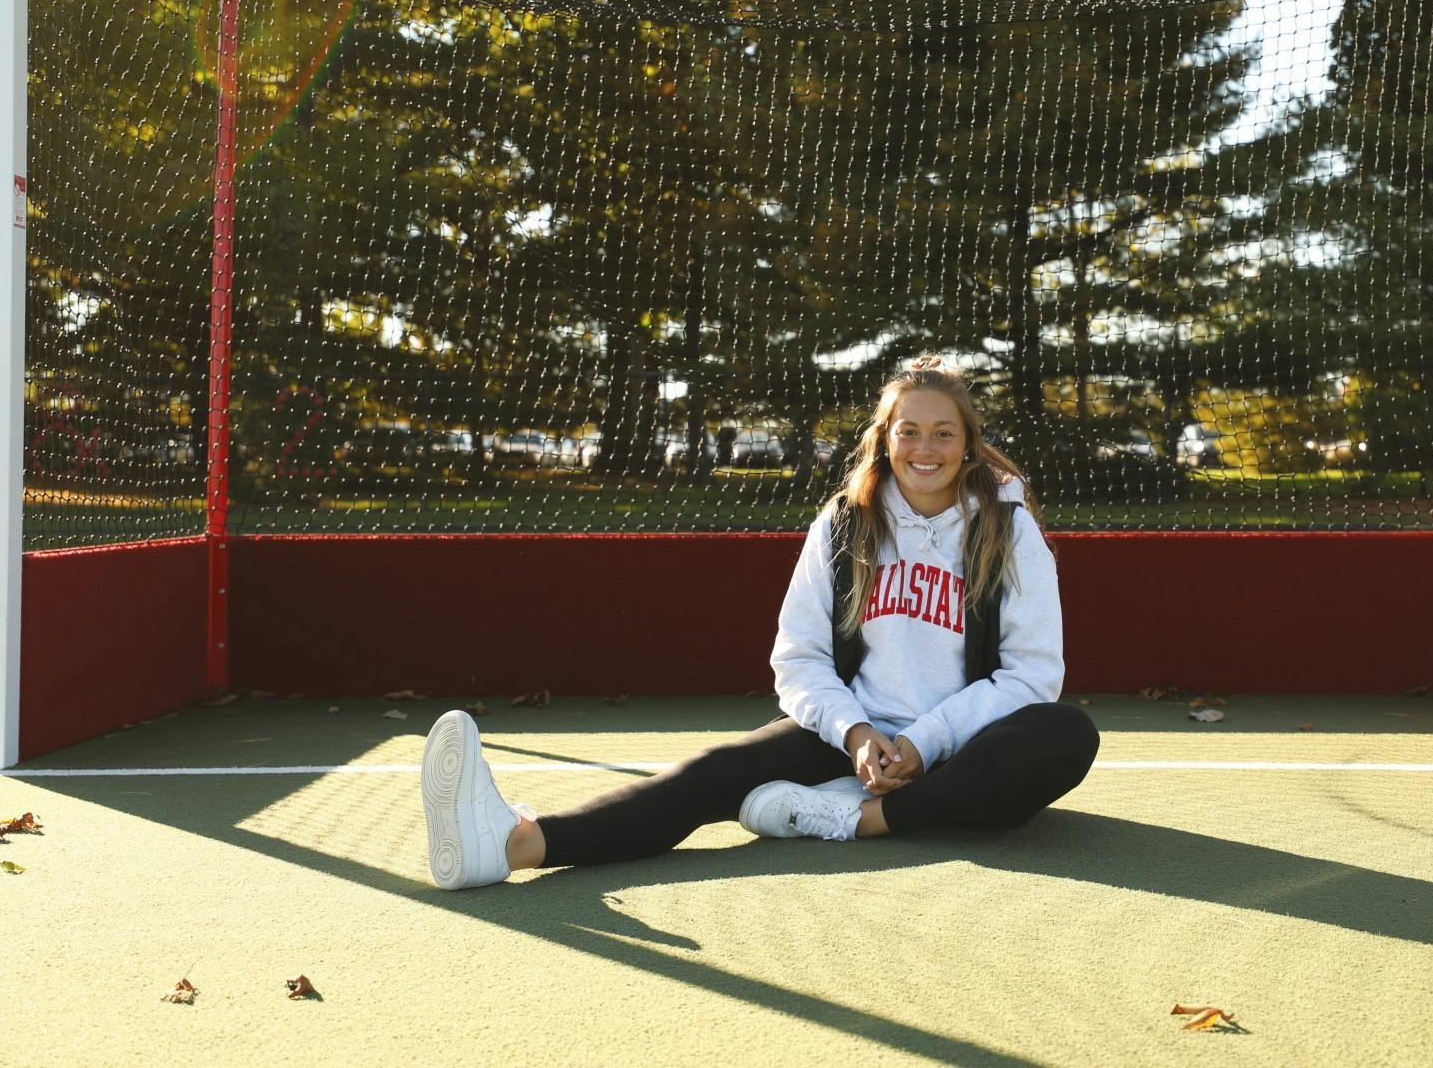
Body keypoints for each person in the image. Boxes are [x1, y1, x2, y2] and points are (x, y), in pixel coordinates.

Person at [420, 356, 1100, 889]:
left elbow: (1032, 674)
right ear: (885, 440)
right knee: (711, 774)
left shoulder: (1009, 531)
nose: (926, 448)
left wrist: (922, 743)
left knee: (1065, 733)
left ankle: (856, 819)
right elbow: (798, 659)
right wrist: (858, 733)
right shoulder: (845, 523)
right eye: (909, 432)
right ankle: (515, 844)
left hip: (959, 751)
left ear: (968, 444)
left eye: (943, 433)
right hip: (850, 736)